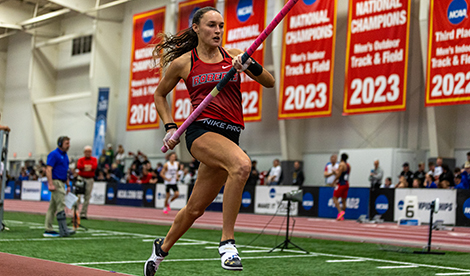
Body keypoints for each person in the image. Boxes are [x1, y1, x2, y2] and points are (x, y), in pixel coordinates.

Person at [144, 6, 275, 275]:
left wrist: (249, 65)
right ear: (196, 28)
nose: (217, 31)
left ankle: (161, 248)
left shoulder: (236, 56)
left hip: (229, 135)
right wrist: (170, 127)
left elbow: (269, 82)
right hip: (200, 133)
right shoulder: (184, 63)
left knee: (194, 209)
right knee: (241, 166)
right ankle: (227, 243)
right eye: (211, 25)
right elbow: (160, 95)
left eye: (221, 26)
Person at [44, 136, 75, 237]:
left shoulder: (65, 156)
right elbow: (48, 169)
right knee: (60, 205)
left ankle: (48, 229)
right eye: (67, 143)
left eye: (69, 143)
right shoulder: (54, 154)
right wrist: (50, 183)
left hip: (61, 182)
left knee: (52, 207)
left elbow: (65, 171)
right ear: (60, 144)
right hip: (56, 181)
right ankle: (63, 229)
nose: (69, 146)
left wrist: (68, 184)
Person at [75, 145, 98, 220]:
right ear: (84, 152)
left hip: (89, 179)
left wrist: (85, 167)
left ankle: (83, 213)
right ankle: (76, 212)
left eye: (89, 151)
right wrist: (88, 167)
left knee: (87, 197)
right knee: (77, 196)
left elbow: (94, 167)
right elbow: (79, 167)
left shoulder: (94, 159)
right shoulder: (81, 159)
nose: (88, 153)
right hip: (81, 178)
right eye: (86, 151)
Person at [332, 153, 350, 221]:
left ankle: (340, 212)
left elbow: (339, 174)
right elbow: (346, 174)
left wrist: (334, 181)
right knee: (343, 200)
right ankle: (342, 216)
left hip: (341, 184)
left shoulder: (341, 164)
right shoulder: (348, 165)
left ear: (341, 158)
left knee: (334, 198)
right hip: (346, 183)